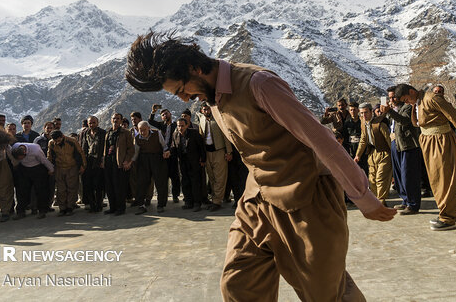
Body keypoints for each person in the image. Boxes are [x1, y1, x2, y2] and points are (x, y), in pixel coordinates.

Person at [126, 32, 394, 300]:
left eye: (182, 89)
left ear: (194, 69)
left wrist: (362, 196)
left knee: (325, 293)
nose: (184, 99)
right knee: (239, 286)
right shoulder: (211, 99)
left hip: (307, 199)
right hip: (257, 200)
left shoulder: (259, 84)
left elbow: (320, 139)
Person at [395, 84, 456, 231]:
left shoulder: (432, 98)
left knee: (444, 178)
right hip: (428, 141)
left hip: (440, 141)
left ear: (412, 92)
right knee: (435, 179)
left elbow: (453, 115)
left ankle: (448, 218)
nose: (406, 102)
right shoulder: (418, 102)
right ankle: (445, 214)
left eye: (406, 99)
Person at [380, 92, 423, 215]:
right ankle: (405, 200)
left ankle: (413, 204)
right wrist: (385, 112)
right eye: (390, 97)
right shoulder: (393, 110)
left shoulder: (408, 107)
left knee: (408, 175)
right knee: (398, 174)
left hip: (407, 144)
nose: (392, 99)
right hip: (395, 143)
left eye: (394, 97)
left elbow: (404, 121)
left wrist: (390, 111)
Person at [354, 103, 392, 205]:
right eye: (361, 113)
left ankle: (381, 202)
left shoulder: (380, 123)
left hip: (384, 153)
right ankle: (376, 201)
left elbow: (389, 140)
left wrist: (393, 155)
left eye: (366, 112)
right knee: (372, 179)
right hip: (372, 153)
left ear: (371, 112)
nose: (364, 115)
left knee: (381, 178)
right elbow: (363, 140)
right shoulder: (363, 123)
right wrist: (358, 155)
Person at [197, 102, 232, 211]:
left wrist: (229, 152)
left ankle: (217, 202)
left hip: (219, 151)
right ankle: (214, 199)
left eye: (208, 109)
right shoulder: (201, 120)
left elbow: (226, 135)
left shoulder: (218, 119)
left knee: (220, 177)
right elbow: (201, 137)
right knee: (211, 177)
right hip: (207, 152)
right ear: (202, 111)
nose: (207, 111)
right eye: (204, 109)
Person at [10, 141, 54, 219]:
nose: (21, 159)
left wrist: (51, 169)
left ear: (25, 153)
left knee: (40, 190)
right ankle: (20, 211)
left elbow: (44, 160)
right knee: (22, 190)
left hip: (37, 168)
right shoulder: (15, 147)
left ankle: (42, 211)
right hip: (24, 169)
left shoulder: (36, 150)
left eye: (22, 158)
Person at [133, 121, 170, 213]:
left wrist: (166, 152)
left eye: (144, 130)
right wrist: (131, 162)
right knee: (142, 182)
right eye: (140, 130)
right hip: (144, 160)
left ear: (149, 128)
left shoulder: (157, 133)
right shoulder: (137, 138)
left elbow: (164, 146)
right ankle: (141, 205)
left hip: (157, 159)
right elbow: (136, 152)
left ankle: (161, 204)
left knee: (160, 182)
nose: (142, 132)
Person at [47, 130, 87, 216]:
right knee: (61, 189)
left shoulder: (72, 141)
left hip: (72, 167)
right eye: (55, 141)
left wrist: (83, 166)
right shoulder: (51, 143)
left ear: (62, 136)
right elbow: (49, 155)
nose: (57, 142)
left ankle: (70, 207)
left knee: (71, 188)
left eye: (58, 140)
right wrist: (50, 168)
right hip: (59, 167)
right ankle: (62, 208)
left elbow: (80, 153)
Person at [171, 118, 206, 212]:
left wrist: (203, 159)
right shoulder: (175, 135)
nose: (180, 127)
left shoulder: (194, 133)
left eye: (182, 125)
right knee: (185, 182)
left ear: (187, 125)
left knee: (195, 182)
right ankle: (188, 202)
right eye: (178, 126)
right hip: (182, 162)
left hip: (194, 161)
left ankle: (197, 203)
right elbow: (174, 148)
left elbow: (201, 146)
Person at [103, 113, 134, 216]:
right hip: (108, 162)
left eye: (118, 119)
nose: (115, 120)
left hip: (119, 162)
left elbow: (131, 149)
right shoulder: (108, 132)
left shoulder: (126, 133)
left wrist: (127, 160)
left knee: (119, 186)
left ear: (121, 121)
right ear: (111, 120)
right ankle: (112, 207)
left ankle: (121, 208)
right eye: (114, 118)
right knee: (109, 186)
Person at [149, 105, 180, 203]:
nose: (164, 116)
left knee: (174, 176)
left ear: (170, 114)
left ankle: (175, 196)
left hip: (173, 154)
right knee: (163, 176)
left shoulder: (176, 125)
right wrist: (153, 112)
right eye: (162, 115)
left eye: (166, 113)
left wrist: (171, 151)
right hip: (162, 155)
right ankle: (163, 196)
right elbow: (150, 121)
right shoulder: (161, 125)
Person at [79, 116, 106, 213]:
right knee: (88, 184)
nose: (92, 125)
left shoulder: (103, 133)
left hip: (98, 161)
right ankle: (92, 205)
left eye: (93, 123)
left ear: (97, 123)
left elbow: (105, 148)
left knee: (98, 185)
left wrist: (103, 160)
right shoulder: (85, 133)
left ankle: (99, 204)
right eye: (90, 123)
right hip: (88, 161)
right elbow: (82, 147)